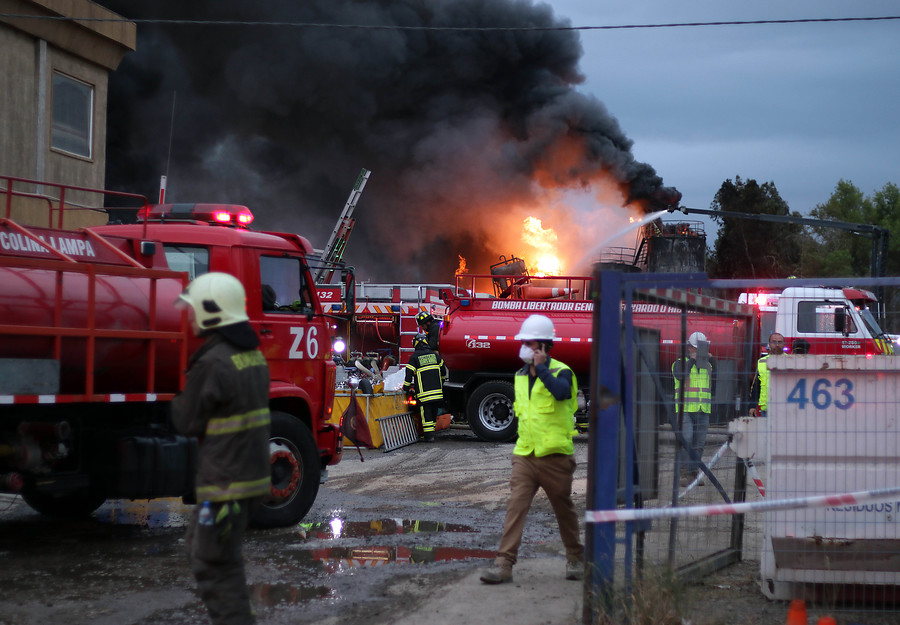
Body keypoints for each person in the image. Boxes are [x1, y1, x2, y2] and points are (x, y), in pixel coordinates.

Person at [171, 272, 271, 625]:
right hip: (246, 480)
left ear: (213, 311)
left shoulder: (213, 361)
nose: (190, 316)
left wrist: (174, 393)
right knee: (205, 551)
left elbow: (186, 421)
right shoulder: (252, 355)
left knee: (215, 564)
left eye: (194, 309)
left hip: (226, 487)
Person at [480, 314, 584, 585]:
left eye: (530, 342)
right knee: (516, 507)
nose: (524, 347)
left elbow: (562, 393)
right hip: (525, 455)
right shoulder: (519, 376)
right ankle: (504, 563)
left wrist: (543, 370)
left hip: (555, 456)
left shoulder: (562, 372)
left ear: (544, 346)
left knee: (563, 508)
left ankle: (575, 557)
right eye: (523, 342)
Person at [672, 331, 716, 487]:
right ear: (689, 347)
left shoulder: (708, 365)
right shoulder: (679, 363)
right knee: (687, 439)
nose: (698, 351)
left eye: (701, 349)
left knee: (699, 444)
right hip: (684, 409)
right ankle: (683, 472)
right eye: (696, 348)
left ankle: (693, 472)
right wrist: (692, 360)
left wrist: (711, 359)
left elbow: (714, 382)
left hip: (703, 409)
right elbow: (680, 375)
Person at [403, 332, 447, 442]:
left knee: (426, 416)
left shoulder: (415, 357)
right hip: (437, 394)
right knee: (433, 414)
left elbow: (408, 375)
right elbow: (443, 371)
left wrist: (405, 390)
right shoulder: (435, 355)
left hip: (424, 395)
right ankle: (432, 434)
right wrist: (441, 383)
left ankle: (428, 436)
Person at [749, 332, 786, 418]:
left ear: (783, 344)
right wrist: (752, 406)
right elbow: (756, 387)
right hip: (766, 409)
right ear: (769, 344)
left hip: (784, 409)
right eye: (774, 342)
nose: (777, 345)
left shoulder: (790, 361)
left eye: (780, 342)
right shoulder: (761, 362)